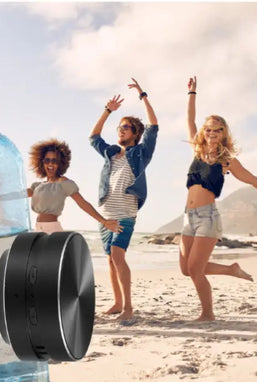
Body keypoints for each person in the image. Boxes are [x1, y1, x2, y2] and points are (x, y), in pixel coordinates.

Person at [180, 76, 257, 321]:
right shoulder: (196, 150)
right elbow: (189, 120)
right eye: (208, 129)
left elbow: (252, 179)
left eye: (216, 130)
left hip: (208, 218)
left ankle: (207, 314)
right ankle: (230, 269)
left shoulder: (227, 160)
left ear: (223, 134)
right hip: (188, 218)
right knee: (186, 270)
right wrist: (192, 93)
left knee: (195, 270)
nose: (211, 133)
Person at [89, 78, 159, 323]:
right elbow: (93, 137)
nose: (121, 129)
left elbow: (153, 126)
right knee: (110, 258)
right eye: (120, 126)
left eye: (126, 126)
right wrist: (108, 111)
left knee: (118, 255)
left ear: (136, 133)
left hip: (125, 212)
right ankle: (117, 302)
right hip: (105, 213)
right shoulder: (109, 153)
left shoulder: (141, 153)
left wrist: (143, 95)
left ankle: (128, 307)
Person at [28, 138, 121, 234]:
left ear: (60, 163)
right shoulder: (37, 186)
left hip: (52, 230)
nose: (50, 163)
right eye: (47, 160)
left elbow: (83, 203)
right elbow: (18, 194)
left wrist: (103, 221)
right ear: (41, 162)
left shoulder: (64, 183)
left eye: (54, 161)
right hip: (37, 229)